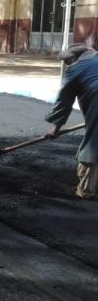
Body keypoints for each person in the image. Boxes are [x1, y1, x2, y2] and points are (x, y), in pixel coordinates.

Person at [44, 44, 98, 199]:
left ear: (74, 58)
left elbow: (64, 101)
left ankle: (86, 190)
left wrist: (55, 128)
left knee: (93, 145)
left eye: (67, 61)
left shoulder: (76, 69)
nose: (67, 65)